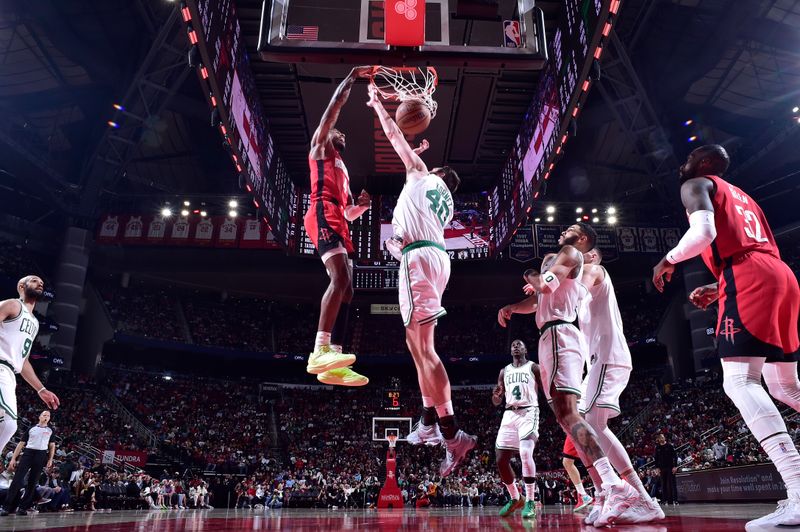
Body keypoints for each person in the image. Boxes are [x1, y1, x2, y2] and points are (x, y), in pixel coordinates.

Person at [652, 144, 800, 529]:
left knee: (739, 381)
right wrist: (720, 288)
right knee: (786, 387)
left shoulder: (696, 184)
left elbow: (704, 233)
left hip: (748, 276)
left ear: (702, 165)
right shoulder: (744, 196)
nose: (681, 167)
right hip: (780, 275)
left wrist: (668, 258)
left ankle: (799, 491)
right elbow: (755, 249)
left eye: (687, 160)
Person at [367, 83, 476, 476]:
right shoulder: (442, 203)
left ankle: (451, 434)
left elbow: (397, 137)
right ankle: (430, 423)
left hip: (418, 262)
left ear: (437, 173)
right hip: (431, 257)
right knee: (415, 346)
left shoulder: (421, 176)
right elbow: (410, 221)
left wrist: (379, 106)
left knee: (424, 349)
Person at [513, 223, 640, 526]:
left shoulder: (570, 253)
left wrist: (532, 274)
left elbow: (544, 284)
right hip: (554, 337)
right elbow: (543, 294)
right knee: (564, 417)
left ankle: (613, 485)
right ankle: (606, 488)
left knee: (570, 415)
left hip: (559, 337)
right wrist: (512, 306)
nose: (563, 230)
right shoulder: (567, 266)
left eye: (571, 228)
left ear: (582, 240)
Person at [579, 248, 663, 525]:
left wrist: (549, 286)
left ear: (592, 254)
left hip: (608, 357)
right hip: (595, 363)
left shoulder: (595, 271)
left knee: (594, 424)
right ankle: (605, 491)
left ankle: (637, 496)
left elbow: (574, 286)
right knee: (579, 428)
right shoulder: (583, 297)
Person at [304, 65, 374, 387]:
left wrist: (360, 207)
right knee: (340, 277)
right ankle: (319, 350)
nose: (341, 132)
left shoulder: (342, 170)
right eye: (338, 130)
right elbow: (334, 109)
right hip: (320, 212)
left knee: (348, 288)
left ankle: (335, 360)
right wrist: (351, 77)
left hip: (336, 217)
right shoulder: (320, 147)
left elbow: (346, 213)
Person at [0, 276, 60, 457]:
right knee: (9, 423)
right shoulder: (12, 305)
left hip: (10, 373)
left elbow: (23, 361)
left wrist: (41, 389)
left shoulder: (34, 322)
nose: (40, 283)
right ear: (21, 286)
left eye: (42, 282)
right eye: (34, 281)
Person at [492, 339, 540, 519]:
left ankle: (530, 501)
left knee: (526, 453)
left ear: (526, 349)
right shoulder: (504, 371)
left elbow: (546, 390)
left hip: (529, 411)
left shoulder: (534, 368)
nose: (516, 346)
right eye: (513, 345)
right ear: (510, 350)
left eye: (519, 344)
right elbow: (497, 401)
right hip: (509, 413)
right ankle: (515, 498)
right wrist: (496, 396)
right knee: (500, 459)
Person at [0, 410, 56, 515]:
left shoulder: (50, 430)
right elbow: (21, 444)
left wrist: (50, 459)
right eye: (44, 415)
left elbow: (52, 446)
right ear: (40, 417)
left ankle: (23, 508)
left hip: (41, 455)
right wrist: (13, 459)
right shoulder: (31, 428)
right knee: (17, 480)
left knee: (32, 482)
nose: (46, 417)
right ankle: (6, 507)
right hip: (28, 453)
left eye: (48, 416)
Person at [653, 433, 677, 505]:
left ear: (664, 438)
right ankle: (665, 500)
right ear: (658, 439)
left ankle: (675, 500)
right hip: (661, 468)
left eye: (662, 437)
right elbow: (656, 459)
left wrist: (675, 466)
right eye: (660, 437)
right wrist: (657, 468)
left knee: (672, 484)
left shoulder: (670, 446)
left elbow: (675, 456)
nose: (661, 438)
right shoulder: (657, 448)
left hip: (670, 467)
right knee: (663, 485)